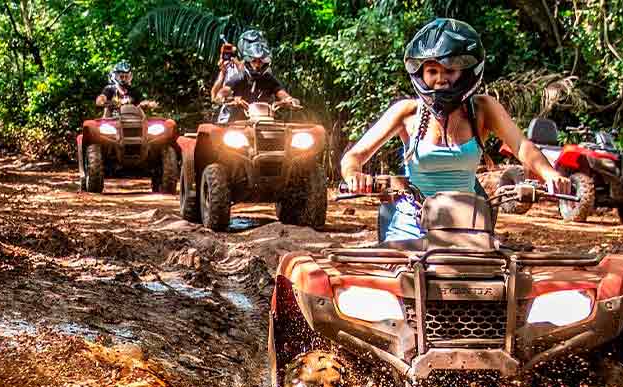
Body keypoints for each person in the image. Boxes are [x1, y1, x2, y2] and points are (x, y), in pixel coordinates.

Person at [340, 18, 571, 241]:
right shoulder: (407, 112)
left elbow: (522, 146)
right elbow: (354, 156)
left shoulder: (483, 108)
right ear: (421, 74)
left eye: (449, 71)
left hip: (468, 223)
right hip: (411, 225)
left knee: (494, 277)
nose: (441, 79)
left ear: (466, 72)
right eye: (432, 72)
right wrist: (353, 175)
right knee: (397, 277)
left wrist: (551, 174)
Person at [213, 30, 298, 121]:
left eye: (260, 61)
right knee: (217, 132)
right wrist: (226, 98)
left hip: (263, 120)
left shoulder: (269, 78)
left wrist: (290, 100)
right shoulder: (239, 76)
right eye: (254, 61)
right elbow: (224, 91)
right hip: (234, 122)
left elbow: (282, 93)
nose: (257, 65)